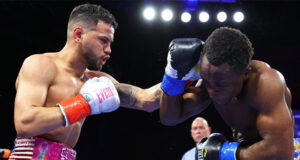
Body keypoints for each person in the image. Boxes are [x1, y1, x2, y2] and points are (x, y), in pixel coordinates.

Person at [9, 3, 161, 160]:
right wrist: (84, 104)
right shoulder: (40, 64)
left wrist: (179, 75)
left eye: (110, 43)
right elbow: (25, 123)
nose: (108, 49)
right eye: (103, 40)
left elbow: (146, 100)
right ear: (78, 35)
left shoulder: (96, 80)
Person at [160, 27, 295, 159]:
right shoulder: (212, 77)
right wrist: (173, 76)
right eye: (206, 81)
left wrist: (225, 152)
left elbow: (282, 152)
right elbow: (170, 118)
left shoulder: (265, 85)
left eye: (221, 84)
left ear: (245, 74)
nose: (211, 90)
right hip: (245, 148)